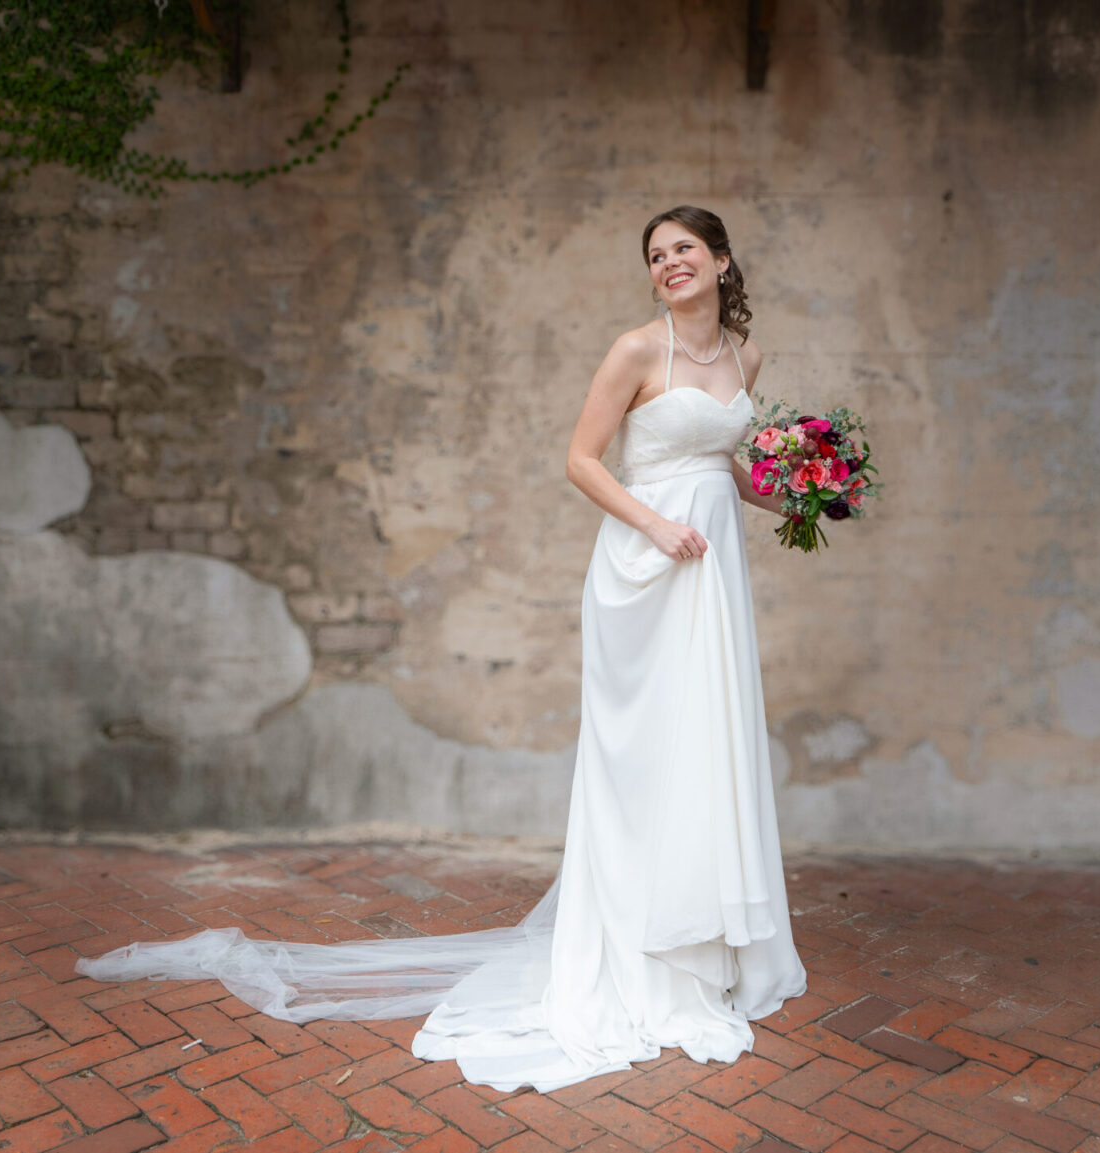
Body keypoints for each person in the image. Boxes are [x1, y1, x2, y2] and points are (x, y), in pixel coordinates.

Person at [75, 206, 808, 1094]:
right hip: (646, 569)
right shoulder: (634, 351)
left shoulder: (745, 359)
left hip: (715, 569)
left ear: (722, 260)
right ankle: (639, 951)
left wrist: (807, 496)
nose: (668, 264)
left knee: (709, 748)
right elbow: (582, 459)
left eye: (684, 249)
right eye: (655, 256)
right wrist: (656, 525)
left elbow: (729, 467)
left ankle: (708, 942)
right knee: (648, 759)